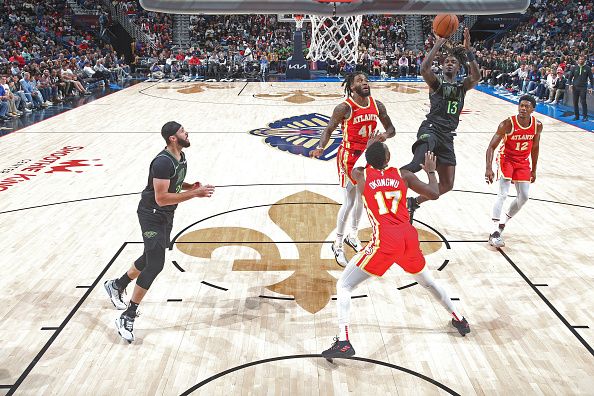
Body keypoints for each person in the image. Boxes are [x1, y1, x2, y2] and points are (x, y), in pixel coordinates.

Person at [321, 141, 470, 361]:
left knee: (344, 285)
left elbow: (355, 167)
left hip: (385, 242)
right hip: (408, 237)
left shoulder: (360, 176)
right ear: (388, 159)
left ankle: (343, 342)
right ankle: (459, 318)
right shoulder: (404, 175)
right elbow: (434, 193)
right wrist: (430, 171)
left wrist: (370, 146)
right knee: (428, 282)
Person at [104, 121, 215, 343]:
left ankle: (117, 285)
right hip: (151, 214)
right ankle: (128, 315)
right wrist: (195, 195)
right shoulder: (163, 162)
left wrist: (189, 187)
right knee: (156, 263)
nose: (187, 132)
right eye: (183, 131)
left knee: (150, 256)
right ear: (173, 138)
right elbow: (161, 197)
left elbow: (173, 184)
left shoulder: (180, 157)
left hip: (166, 214)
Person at [310, 72, 395, 267]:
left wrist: (383, 136)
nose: (365, 83)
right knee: (349, 201)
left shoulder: (377, 105)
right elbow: (329, 129)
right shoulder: (344, 107)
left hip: (368, 156)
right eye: (359, 81)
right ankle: (337, 243)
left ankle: (353, 235)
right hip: (349, 156)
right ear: (351, 86)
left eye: (366, 80)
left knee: (362, 198)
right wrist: (321, 147)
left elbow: (392, 129)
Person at [401, 28, 480, 223]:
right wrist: (439, 42)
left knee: (447, 184)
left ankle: (414, 202)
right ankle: (392, 186)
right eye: (447, 62)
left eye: (454, 62)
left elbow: (476, 76)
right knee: (413, 166)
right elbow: (424, 69)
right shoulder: (437, 84)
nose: (450, 63)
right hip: (431, 129)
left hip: (447, 135)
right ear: (443, 67)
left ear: (459, 67)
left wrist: (469, 52)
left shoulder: (462, 87)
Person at [485, 95, 542, 247]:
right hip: (506, 159)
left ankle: (503, 222)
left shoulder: (537, 125)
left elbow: (535, 148)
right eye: (521, 105)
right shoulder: (507, 124)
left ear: (533, 109)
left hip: (523, 162)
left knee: (524, 197)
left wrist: (534, 169)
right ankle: (494, 231)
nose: (523, 108)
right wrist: (489, 167)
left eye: (527, 106)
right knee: (503, 194)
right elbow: (491, 146)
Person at [568, 55, 593, 121]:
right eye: (580, 59)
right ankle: (576, 116)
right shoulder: (574, 68)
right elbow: (570, 78)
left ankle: (585, 116)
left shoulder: (587, 68)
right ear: (578, 60)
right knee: (575, 102)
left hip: (583, 87)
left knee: (583, 102)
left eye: (582, 59)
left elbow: (591, 79)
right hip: (575, 87)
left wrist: (591, 87)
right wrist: (570, 84)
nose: (581, 60)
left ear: (584, 60)